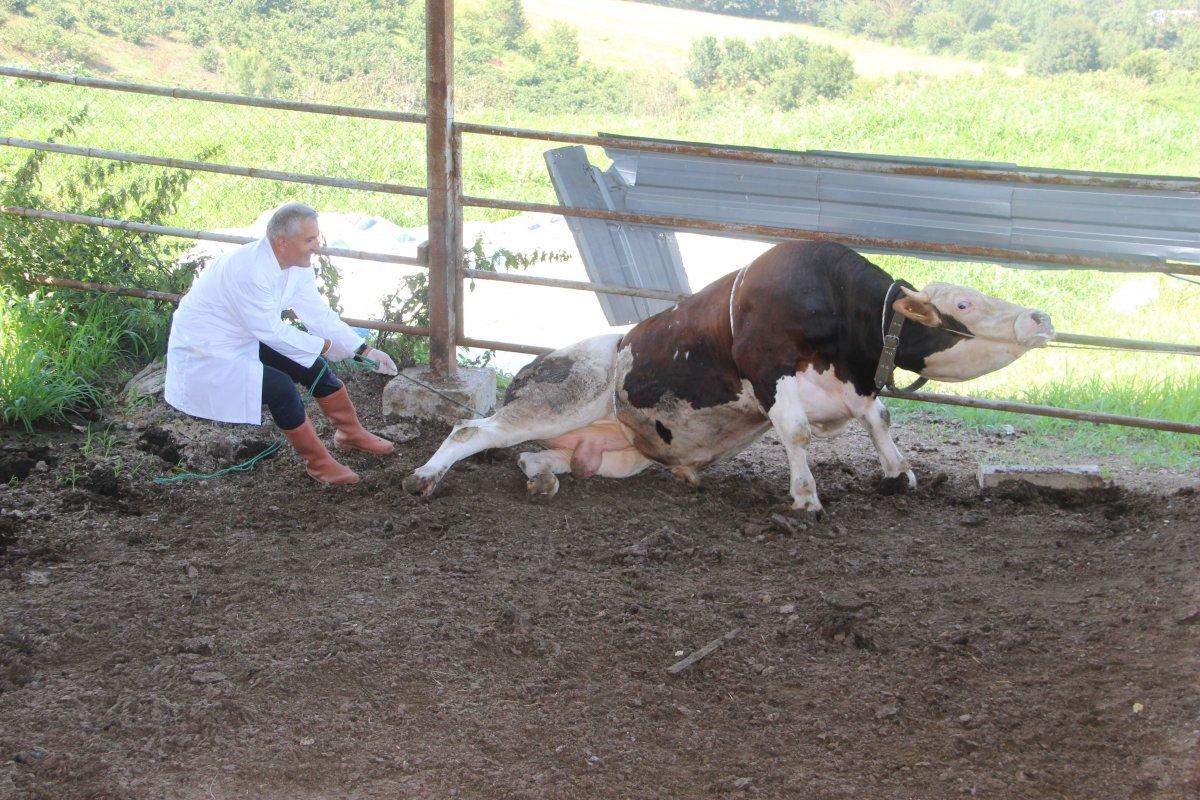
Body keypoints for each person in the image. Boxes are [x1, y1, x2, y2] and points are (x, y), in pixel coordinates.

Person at [164, 202, 399, 485]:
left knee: (314, 366)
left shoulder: (297, 266)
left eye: (317, 237)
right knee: (280, 388)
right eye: (309, 240)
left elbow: (317, 314)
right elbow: (271, 331)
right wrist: (324, 346)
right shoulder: (249, 271)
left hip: (245, 334)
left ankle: (350, 434)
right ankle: (319, 464)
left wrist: (363, 350)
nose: (317, 246)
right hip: (207, 348)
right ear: (282, 243)